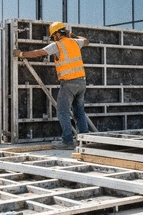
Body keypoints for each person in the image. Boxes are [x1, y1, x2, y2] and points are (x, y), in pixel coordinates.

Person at [13, 21, 90, 150]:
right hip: (81, 82)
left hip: (69, 83)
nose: (53, 38)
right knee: (79, 112)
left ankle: (67, 141)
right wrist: (74, 35)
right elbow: (86, 41)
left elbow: (40, 52)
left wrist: (21, 54)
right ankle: (85, 140)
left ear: (57, 35)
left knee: (62, 111)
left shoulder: (58, 45)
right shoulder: (75, 42)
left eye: (53, 36)